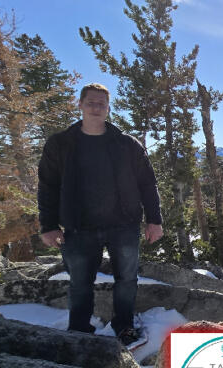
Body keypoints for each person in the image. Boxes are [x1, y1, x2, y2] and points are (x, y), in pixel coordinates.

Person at [37, 83, 163, 348]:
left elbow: (147, 184)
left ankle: (124, 326)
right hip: (79, 226)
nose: (96, 107)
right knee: (80, 282)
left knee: (127, 280)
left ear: (108, 108)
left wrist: (154, 219)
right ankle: (79, 329)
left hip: (124, 224)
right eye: (91, 102)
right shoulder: (61, 144)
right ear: (80, 104)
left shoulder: (126, 144)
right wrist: (48, 225)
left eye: (101, 104)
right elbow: (47, 185)